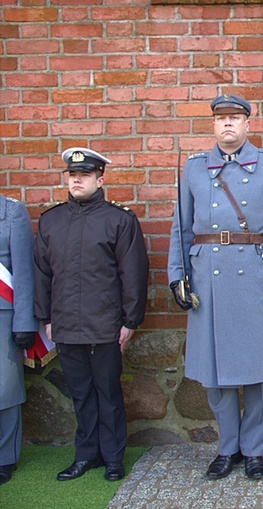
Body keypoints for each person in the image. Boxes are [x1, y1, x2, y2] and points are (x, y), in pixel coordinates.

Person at [167, 94, 263, 480]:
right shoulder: (193, 169)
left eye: (235, 118)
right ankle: (228, 448)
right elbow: (181, 228)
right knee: (215, 370)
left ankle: (254, 450)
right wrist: (177, 275)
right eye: (221, 118)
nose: (227, 124)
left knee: (258, 370)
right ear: (213, 125)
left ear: (246, 125)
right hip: (207, 279)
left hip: (255, 275)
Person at [34, 148, 149, 481]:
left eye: (84, 175)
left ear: (100, 179)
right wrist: (47, 319)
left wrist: (130, 321)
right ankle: (86, 455)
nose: (77, 180)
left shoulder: (119, 220)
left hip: (105, 325)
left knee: (108, 393)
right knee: (81, 394)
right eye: (72, 175)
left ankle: (113, 458)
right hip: (65, 324)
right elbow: (42, 273)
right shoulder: (51, 221)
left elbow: (134, 274)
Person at [0, 195, 37, 486]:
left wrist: (24, 322)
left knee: (5, 388)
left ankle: (4, 458)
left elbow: (24, 272)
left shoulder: (11, 211)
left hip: (3, 312)